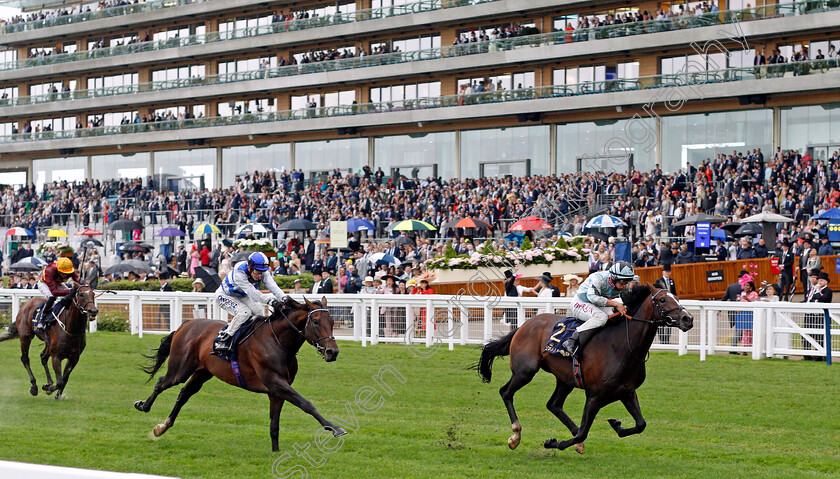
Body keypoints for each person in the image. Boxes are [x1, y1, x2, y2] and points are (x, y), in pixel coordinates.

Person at [213, 252, 288, 355]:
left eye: (262, 272)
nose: (260, 275)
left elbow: (273, 286)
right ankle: (225, 339)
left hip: (242, 295)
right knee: (245, 312)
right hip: (225, 295)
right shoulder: (239, 271)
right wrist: (271, 301)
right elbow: (252, 292)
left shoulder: (262, 271)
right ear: (249, 268)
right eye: (257, 272)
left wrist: (285, 298)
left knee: (260, 312)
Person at [562, 261, 635, 357]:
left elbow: (629, 301)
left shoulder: (623, 285)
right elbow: (593, 298)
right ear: (613, 277)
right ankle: (571, 340)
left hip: (597, 304)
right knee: (601, 317)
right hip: (581, 302)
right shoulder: (598, 278)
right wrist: (616, 304)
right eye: (622, 281)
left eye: (627, 281)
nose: (624, 285)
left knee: (619, 312)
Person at [35, 257, 81, 333]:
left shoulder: (70, 269)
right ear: (58, 269)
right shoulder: (50, 270)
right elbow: (54, 292)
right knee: (52, 297)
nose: (65, 275)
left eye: (67, 273)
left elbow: (77, 282)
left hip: (57, 282)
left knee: (71, 296)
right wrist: (69, 291)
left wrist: (79, 286)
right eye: (63, 273)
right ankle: (42, 319)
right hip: (44, 283)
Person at [803, 270, 832, 361]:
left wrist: (818, 292)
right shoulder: (812, 290)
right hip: (810, 314)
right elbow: (809, 299)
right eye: (819, 280)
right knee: (806, 333)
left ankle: (818, 355)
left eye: (821, 281)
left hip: (820, 315)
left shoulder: (828, 291)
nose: (819, 282)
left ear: (826, 282)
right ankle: (806, 355)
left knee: (819, 335)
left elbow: (822, 298)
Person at [654, 265, 677, 344]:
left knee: (669, 320)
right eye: (666, 271)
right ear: (663, 272)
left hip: (669, 304)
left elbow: (674, 292)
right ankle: (662, 340)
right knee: (661, 323)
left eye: (669, 272)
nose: (667, 273)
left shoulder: (672, 281)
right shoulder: (658, 281)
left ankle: (667, 339)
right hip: (662, 304)